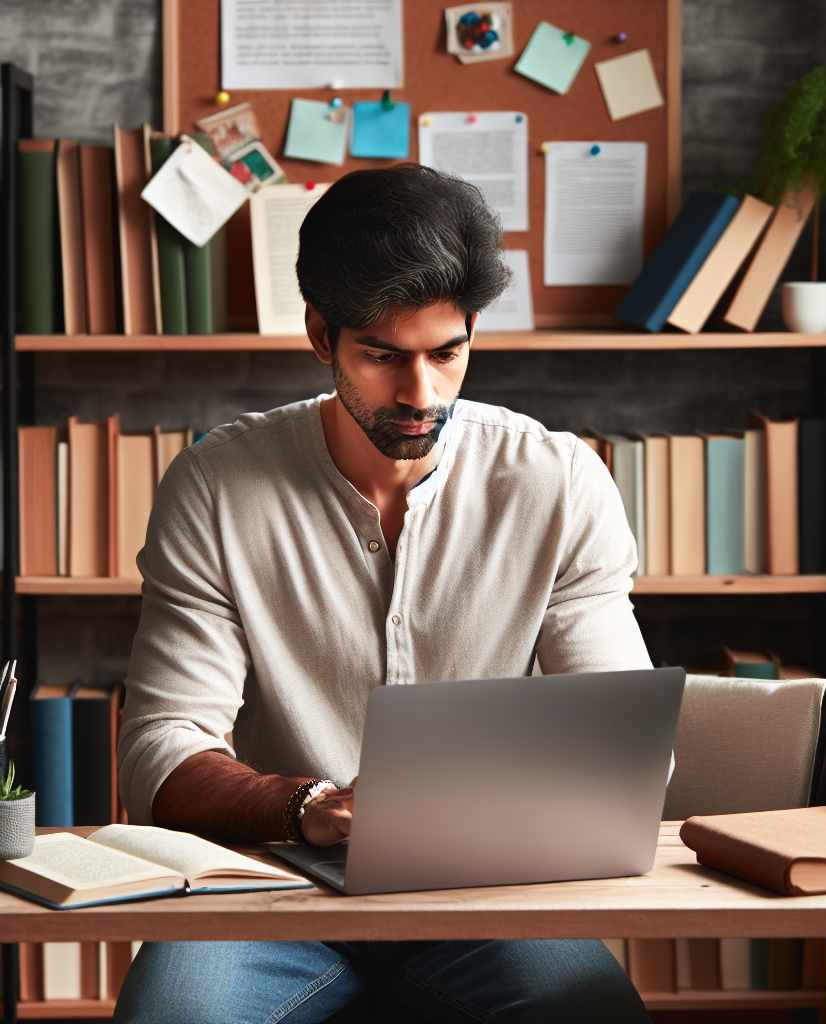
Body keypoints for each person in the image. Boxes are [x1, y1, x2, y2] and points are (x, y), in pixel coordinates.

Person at [114, 165, 653, 1023]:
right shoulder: (214, 486)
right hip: (271, 887)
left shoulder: (561, 484)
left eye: (447, 353)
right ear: (320, 334)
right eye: (382, 357)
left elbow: (621, 732)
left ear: (475, 327)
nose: (421, 394)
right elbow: (159, 748)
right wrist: (309, 807)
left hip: (488, 895)